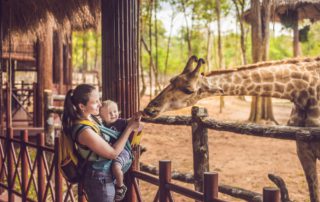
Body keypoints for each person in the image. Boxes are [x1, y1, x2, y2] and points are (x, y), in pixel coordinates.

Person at [62, 84, 142, 202]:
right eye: (95, 102)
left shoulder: (91, 118)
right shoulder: (84, 131)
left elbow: (112, 124)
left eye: (99, 99)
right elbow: (112, 153)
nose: (100, 104)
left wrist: (132, 119)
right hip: (99, 179)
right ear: (82, 106)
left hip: (104, 175)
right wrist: (129, 128)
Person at [99, 100, 134, 201]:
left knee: (116, 166)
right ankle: (114, 185)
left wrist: (138, 117)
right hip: (110, 152)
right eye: (110, 113)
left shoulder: (121, 122)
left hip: (123, 151)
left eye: (115, 111)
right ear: (101, 116)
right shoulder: (102, 127)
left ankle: (120, 186)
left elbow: (131, 121)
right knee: (108, 169)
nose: (114, 114)